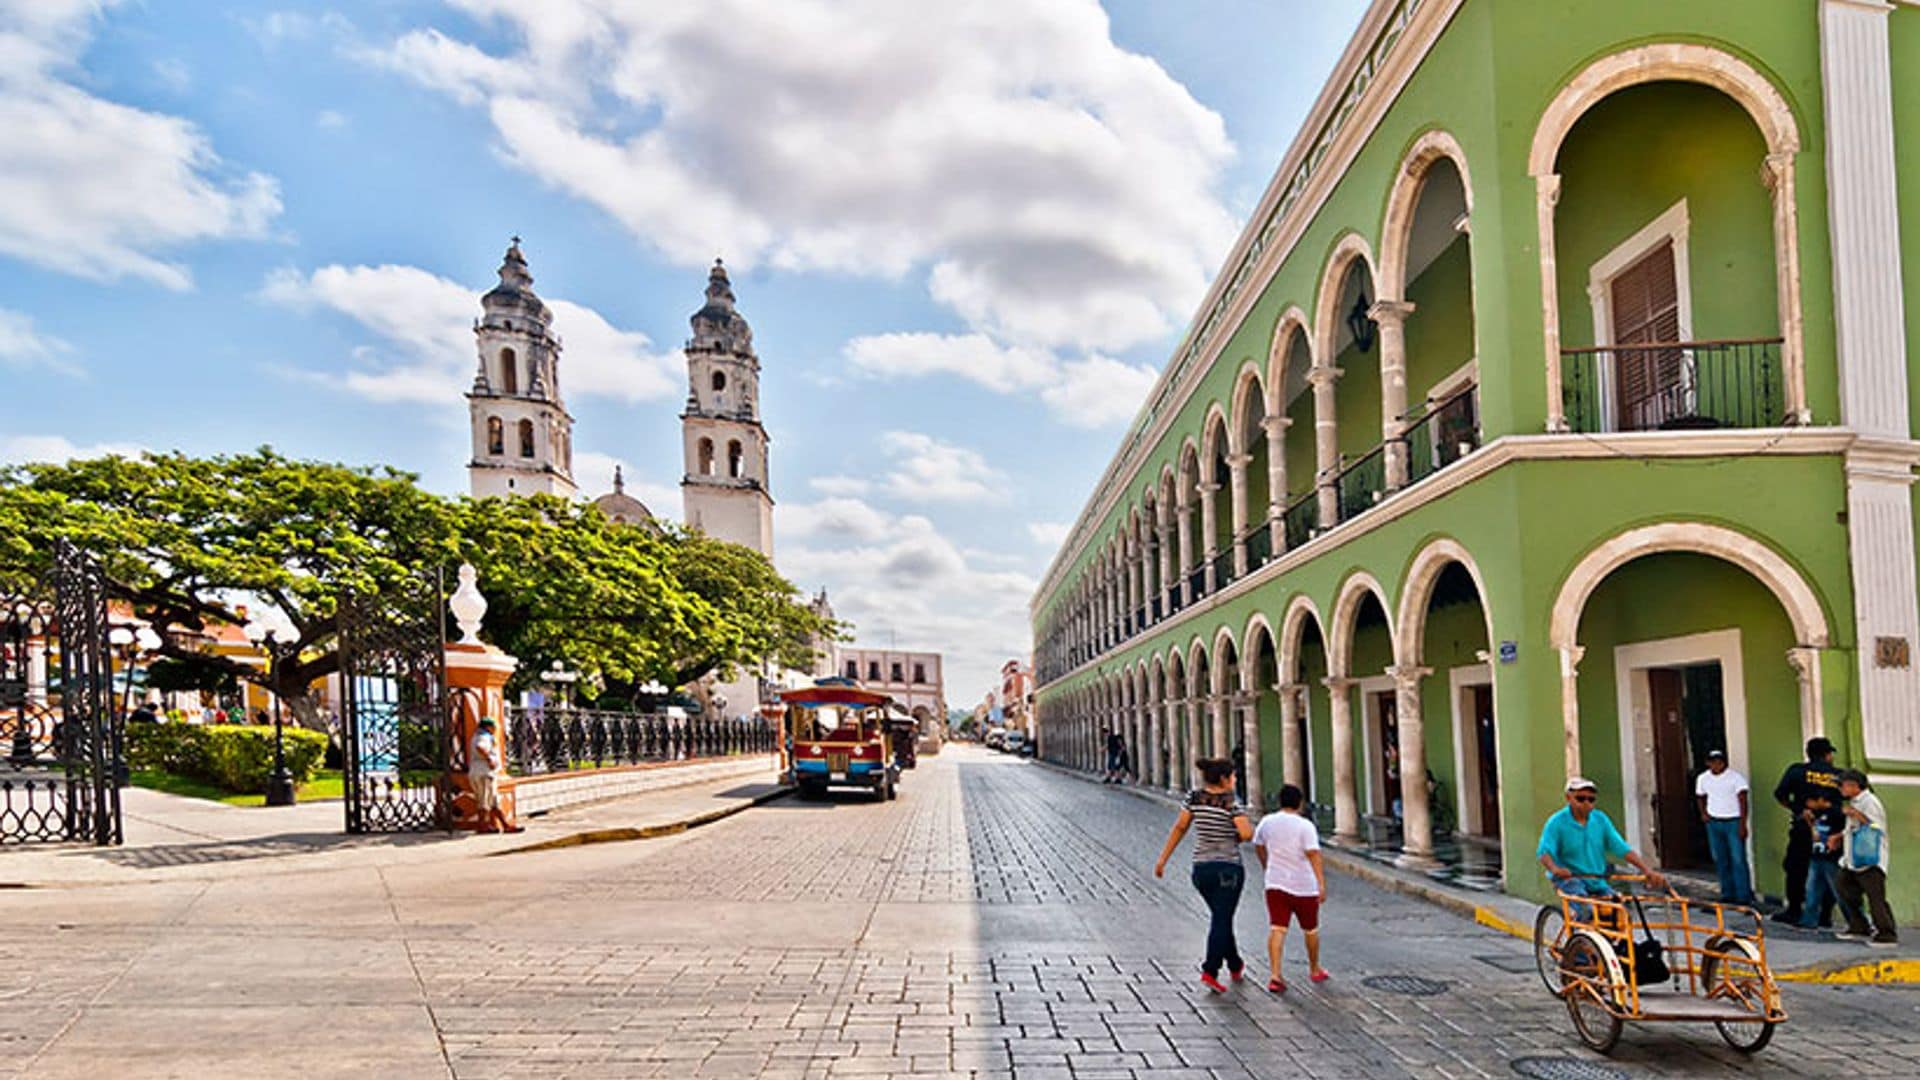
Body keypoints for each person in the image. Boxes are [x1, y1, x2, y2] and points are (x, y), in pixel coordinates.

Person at [1155, 757, 1254, 993]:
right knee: (1222, 918)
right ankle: (1210, 969)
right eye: (1233, 776)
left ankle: (1235, 963)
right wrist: (1235, 836)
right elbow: (1247, 833)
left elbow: (1180, 827)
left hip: (1201, 869)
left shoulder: (1194, 798)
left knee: (1221, 917)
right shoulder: (1231, 802)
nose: (1235, 780)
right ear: (1223, 779)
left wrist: (1163, 859)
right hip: (1228, 869)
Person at [1537, 777, 1668, 919]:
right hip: (1570, 878)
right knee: (1587, 912)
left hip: (1596, 878)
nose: (1586, 804)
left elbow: (1621, 848)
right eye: (1580, 799)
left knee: (1620, 912)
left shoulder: (1600, 820)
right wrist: (1556, 869)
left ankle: (1613, 940)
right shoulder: (1556, 822)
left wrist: (1647, 870)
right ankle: (1580, 940)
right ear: (1568, 798)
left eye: (1591, 799)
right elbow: (1544, 852)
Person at [1252, 783, 1329, 993]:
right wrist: (1321, 883)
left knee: (1277, 928)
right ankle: (1314, 968)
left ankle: (1275, 975)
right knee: (1310, 930)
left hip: (1275, 883)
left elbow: (1258, 845)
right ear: (1300, 803)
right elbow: (1314, 854)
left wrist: (1266, 864)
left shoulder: (1267, 822)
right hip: (1304, 885)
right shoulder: (1305, 826)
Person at [1771, 736, 1840, 924]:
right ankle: (1825, 914)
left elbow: (1780, 795)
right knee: (1827, 871)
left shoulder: (1797, 771)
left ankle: (1794, 909)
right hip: (1831, 832)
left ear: (1808, 754)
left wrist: (1798, 808)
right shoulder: (1839, 775)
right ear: (1827, 755)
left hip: (1803, 827)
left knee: (1795, 868)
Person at [1833, 769, 1897, 946]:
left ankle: (1887, 933)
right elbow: (1852, 828)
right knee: (1843, 886)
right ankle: (1859, 925)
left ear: (1854, 785)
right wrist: (1839, 837)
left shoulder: (1870, 802)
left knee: (1875, 897)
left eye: (1842, 785)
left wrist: (1857, 815)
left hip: (1870, 858)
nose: (1840, 788)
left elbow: (1877, 826)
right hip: (1853, 858)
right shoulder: (1855, 802)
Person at [1694, 749, 1754, 905]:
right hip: (1714, 821)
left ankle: (1743, 895)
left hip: (1733, 821)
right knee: (1720, 858)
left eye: (1719, 761)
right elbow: (1700, 796)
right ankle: (1727, 893)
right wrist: (1704, 813)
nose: (1716, 764)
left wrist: (1742, 823)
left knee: (1738, 859)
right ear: (1708, 763)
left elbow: (1743, 800)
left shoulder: (1735, 778)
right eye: (1713, 761)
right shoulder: (1703, 779)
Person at [1797, 787, 1848, 931]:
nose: (1808, 804)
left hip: (1832, 857)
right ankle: (1809, 920)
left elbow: (1847, 831)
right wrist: (1810, 822)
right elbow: (1816, 832)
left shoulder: (1837, 814)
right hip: (1817, 855)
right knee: (1812, 889)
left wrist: (1837, 839)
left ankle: (1856, 921)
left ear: (1821, 800)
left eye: (1810, 801)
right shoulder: (1818, 814)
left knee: (1839, 891)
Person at [468, 716, 520, 834]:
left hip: (476, 771)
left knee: (485, 800)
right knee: (488, 800)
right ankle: (497, 826)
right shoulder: (484, 737)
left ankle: (492, 825)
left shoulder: (476, 736)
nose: (495, 729)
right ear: (488, 727)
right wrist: (489, 759)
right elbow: (480, 747)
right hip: (484, 772)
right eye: (493, 727)